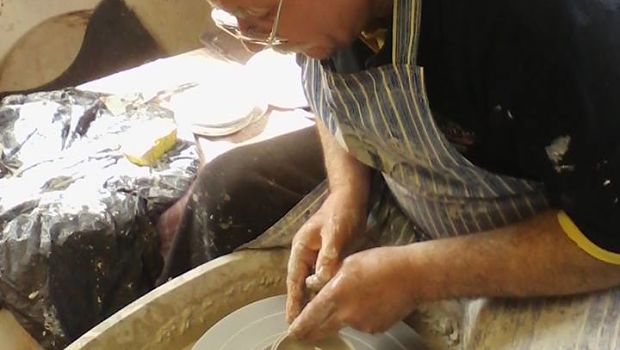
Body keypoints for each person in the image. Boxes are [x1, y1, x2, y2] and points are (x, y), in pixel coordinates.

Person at [164, 0, 620, 346]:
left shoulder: (540, 29)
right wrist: (346, 193)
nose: (249, 40)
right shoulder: (324, 17)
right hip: (413, 190)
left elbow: (609, 236)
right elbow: (324, 75)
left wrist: (419, 275)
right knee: (229, 189)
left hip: (565, 236)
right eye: (231, 16)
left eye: (260, 15)